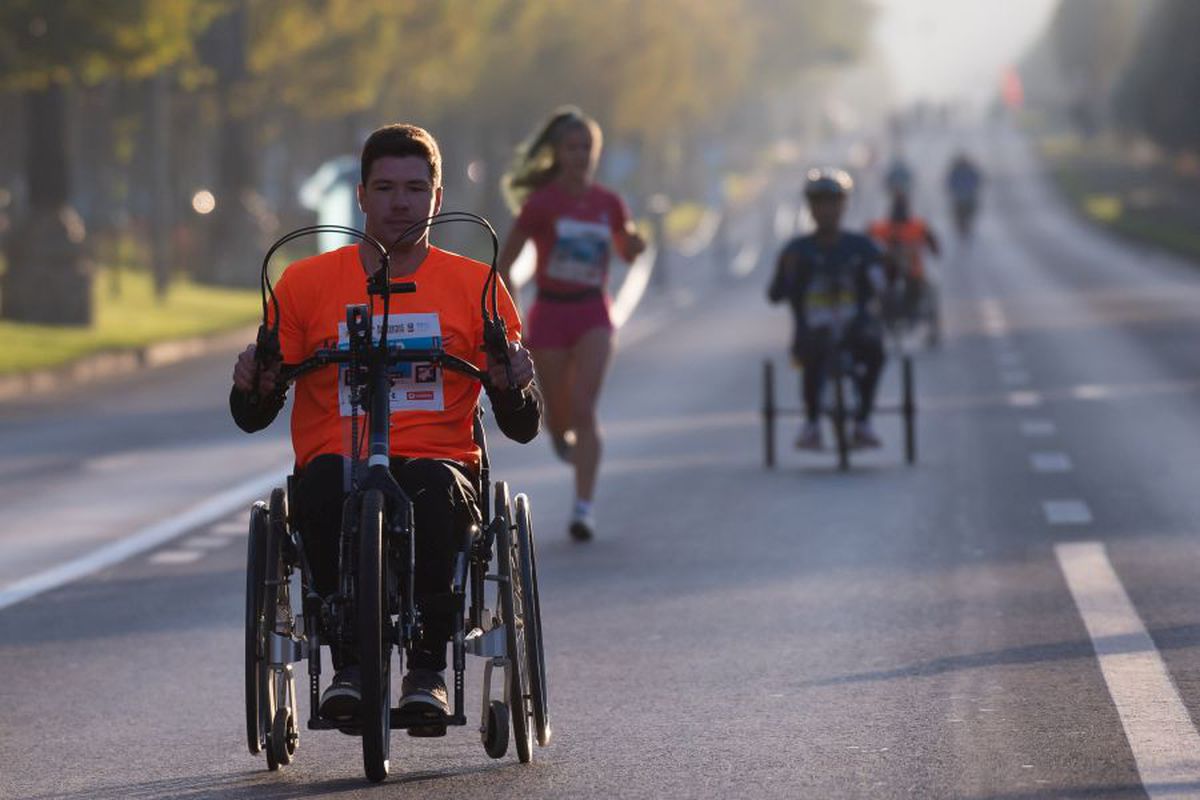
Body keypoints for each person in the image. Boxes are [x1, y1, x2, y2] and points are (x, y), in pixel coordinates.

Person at [229, 124, 541, 733]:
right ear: (362, 197)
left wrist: (513, 384)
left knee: (432, 488)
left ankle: (426, 669)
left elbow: (522, 425)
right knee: (320, 485)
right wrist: (254, 383)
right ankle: (347, 664)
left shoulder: (476, 286)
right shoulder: (305, 283)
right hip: (336, 459)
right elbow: (253, 413)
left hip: (438, 459)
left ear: (437, 197)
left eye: (415, 189)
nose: (401, 202)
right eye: (386, 188)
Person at [496, 107, 645, 542]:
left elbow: (628, 249)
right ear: (558, 153)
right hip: (550, 314)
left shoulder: (608, 202)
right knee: (558, 417)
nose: (580, 155)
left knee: (584, 408)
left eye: (587, 148)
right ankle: (562, 438)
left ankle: (583, 508)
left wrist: (636, 241)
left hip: (594, 312)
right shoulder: (541, 205)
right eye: (572, 147)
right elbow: (505, 266)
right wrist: (515, 321)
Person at [768, 168, 888, 451]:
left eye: (833, 203)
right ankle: (811, 423)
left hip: (855, 328)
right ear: (810, 208)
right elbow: (775, 294)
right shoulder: (797, 250)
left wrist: (888, 272)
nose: (826, 210)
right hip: (811, 331)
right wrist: (788, 274)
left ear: (844, 206)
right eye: (819, 203)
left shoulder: (861, 247)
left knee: (875, 352)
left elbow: (882, 285)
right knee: (812, 357)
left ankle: (863, 421)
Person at [868, 192, 941, 341]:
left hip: (912, 274)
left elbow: (932, 241)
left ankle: (912, 316)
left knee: (924, 290)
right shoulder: (881, 227)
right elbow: (865, 240)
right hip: (888, 275)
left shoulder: (917, 226)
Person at [945, 151, 983, 239]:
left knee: (965, 213)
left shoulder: (958, 171)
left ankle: (964, 226)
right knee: (962, 213)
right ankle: (962, 226)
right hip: (962, 197)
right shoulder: (959, 171)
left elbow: (977, 180)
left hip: (964, 196)